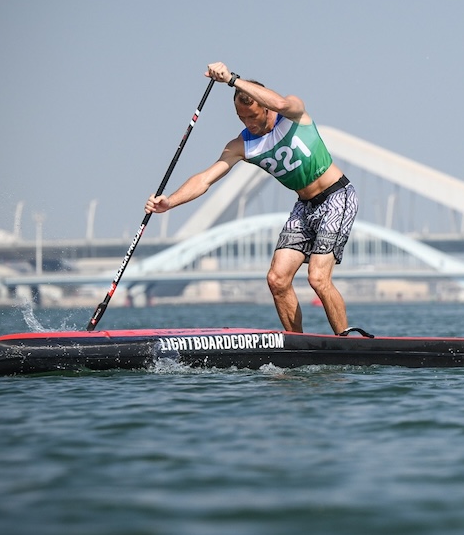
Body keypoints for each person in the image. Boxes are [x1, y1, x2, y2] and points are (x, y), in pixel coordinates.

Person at [146, 62, 359, 335]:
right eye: (241, 118)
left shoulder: (293, 114)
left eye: (253, 116)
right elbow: (205, 179)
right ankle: (297, 345)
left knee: (318, 278)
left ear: (265, 107)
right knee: (277, 279)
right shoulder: (242, 146)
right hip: (304, 206)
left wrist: (232, 80)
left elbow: (282, 102)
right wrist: (169, 202)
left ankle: (346, 343)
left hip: (337, 197)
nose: (249, 124)